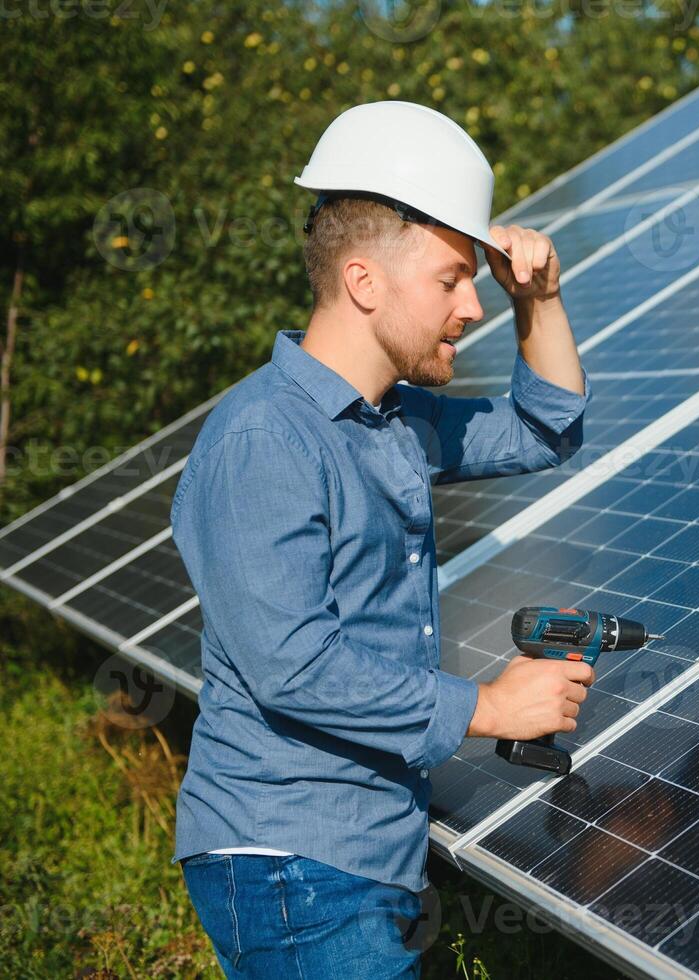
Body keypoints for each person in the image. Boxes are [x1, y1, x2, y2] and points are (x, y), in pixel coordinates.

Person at [168, 101, 593, 978]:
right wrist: (491, 709)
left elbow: (546, 428)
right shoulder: (265, 440)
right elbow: (294, 665)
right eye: (449, 280)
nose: (471, 306)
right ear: (364, 282)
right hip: (290, 858)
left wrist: (539, 300)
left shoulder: (390, 424)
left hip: (356, 853)